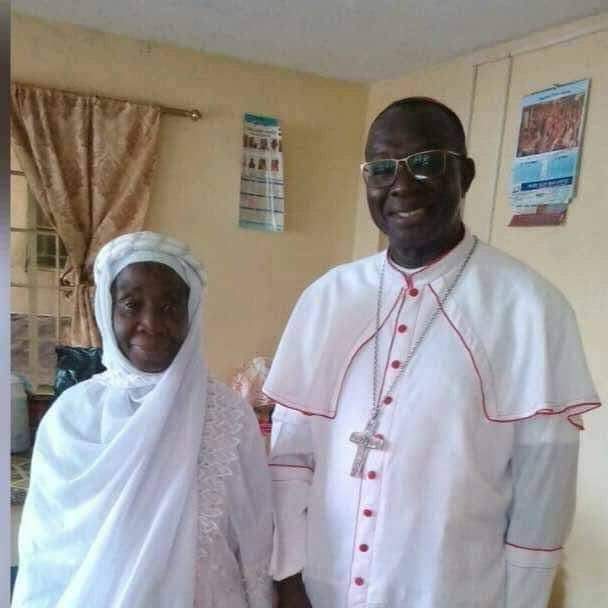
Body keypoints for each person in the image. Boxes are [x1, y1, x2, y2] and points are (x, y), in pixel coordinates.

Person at [264, 97, 601, 608]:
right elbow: (290, 461)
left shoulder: (531, 308)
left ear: (463, 176)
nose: (401, 185)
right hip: (323, 590)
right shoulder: (326, 298)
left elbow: (542, 503)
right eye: (382, 169)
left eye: (424, 163)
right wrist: (288, 579)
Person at [12, 232, 273, 608]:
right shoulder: (74, 416)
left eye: (169, 307)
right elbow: (46, 552)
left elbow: (255, 535)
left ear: (192, 313)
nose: (150, 323)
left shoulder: (229, 415)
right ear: (108, 309)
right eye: (131, 305)